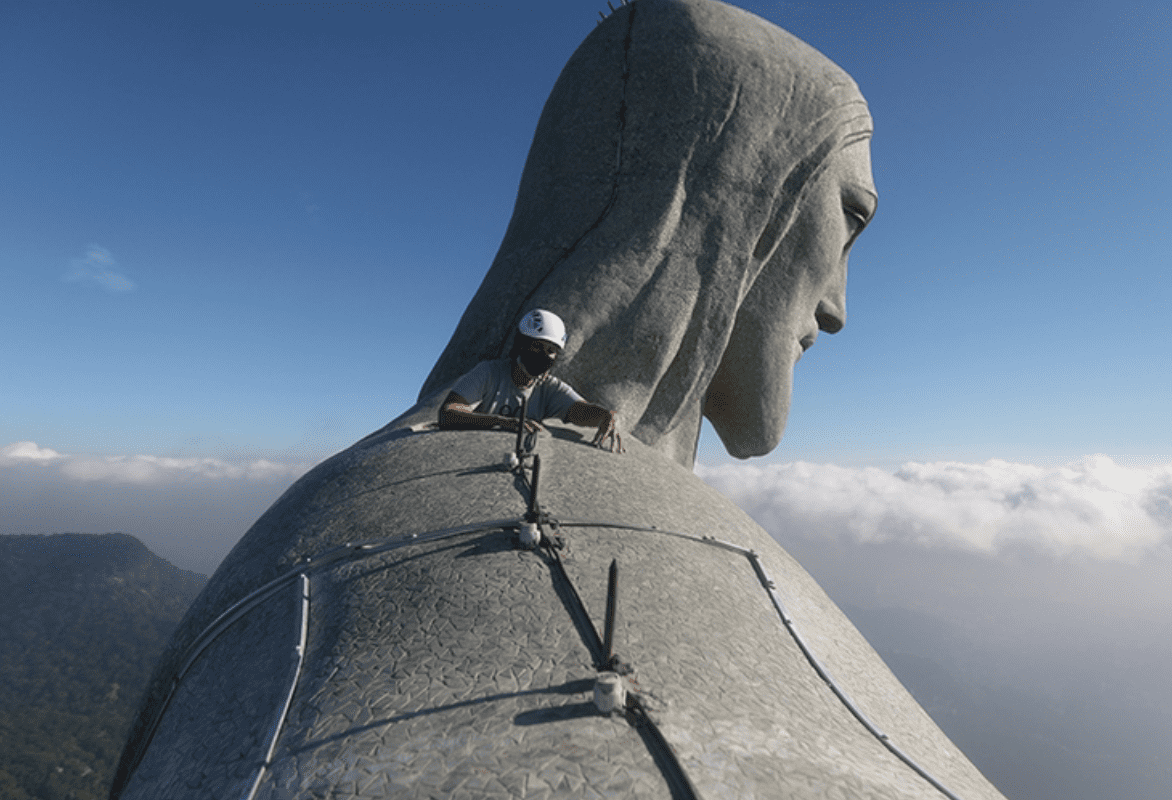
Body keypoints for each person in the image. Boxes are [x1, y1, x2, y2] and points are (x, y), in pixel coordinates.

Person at [419, 0, 876, 468]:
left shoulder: (547, 389)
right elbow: (454, 412)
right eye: (850, 218)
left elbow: (574, 407)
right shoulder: (488, 380)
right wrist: (505, 426)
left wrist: (604, 416)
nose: (836, 310)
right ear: (727, 195)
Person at [438, 309, 623, 452]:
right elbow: (449, 413)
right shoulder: (489, 372)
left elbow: (580, 411)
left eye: (550, 350)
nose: (543, 355)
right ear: (521, 345)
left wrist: (604, 416)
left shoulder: (549, 387)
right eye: (537, 346)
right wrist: (503, 422)